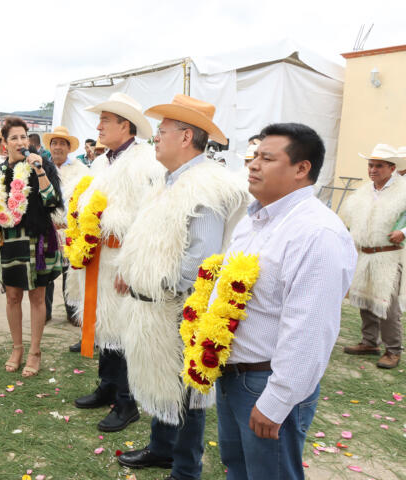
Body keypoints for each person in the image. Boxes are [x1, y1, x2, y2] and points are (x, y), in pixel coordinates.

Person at [113, 95, 248, 479]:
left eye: (162, 132)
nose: (155, 139)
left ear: (186, 136)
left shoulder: (205, 186)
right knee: (161, 379)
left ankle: (185, 468)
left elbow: (200, 261)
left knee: (187, 389)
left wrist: (155, 285)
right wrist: (133, 271)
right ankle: (161, 447)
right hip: (155, 305)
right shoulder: (170, 181)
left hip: (179, 307)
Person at [215, 123, 356, 479]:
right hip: (233, 374)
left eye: (266, 158)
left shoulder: (316, 233)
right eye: (253, 156)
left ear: (301, 168)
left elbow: (311, 329)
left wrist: (277, 401)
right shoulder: (255, 221)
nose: (253, 165)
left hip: (267, 382)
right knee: (239, 469)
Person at [69, 92, 163, 432]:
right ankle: (108, 385)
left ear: (125, 126)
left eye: (105, 121)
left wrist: (130, 265)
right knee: (105, 322)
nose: (98, 127)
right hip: (99, 258)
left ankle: (127, 401)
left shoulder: (144, 163)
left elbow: (147, 218)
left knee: (124, 330)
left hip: (121, 257)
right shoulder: (101, 161)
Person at [0, 116, 63, 377]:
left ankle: (35, 352)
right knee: (13, 297)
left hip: (37, 243)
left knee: (37, 297)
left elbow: (53, 202)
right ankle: (16, 348)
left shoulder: (43, 166)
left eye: (23, 137)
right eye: (14, 138)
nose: (20, 142)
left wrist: (39, 170)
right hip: (9, 243)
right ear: (4, 144)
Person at [342, 144, 406, 369]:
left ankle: (393, 350)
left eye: (378, 166)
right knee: (365, 299)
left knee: (387, 305)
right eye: (370, 165)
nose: (372, 170)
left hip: (388, 257)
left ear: (391, 168)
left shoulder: (403, 191)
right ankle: (370, 342)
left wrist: (403, 232)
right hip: (365, 254)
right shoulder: (364, 191)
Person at [43, 126, 88, 325]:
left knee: (71, 272)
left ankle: (73, 311)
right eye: (55, 143)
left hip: (70, 229)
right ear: (50, 146)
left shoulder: (81, 170)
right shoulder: (41, 167)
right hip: (47, 228)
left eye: (62, 143)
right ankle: (44, 311)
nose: (58, 147)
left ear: (69, 147)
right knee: (44, 271)